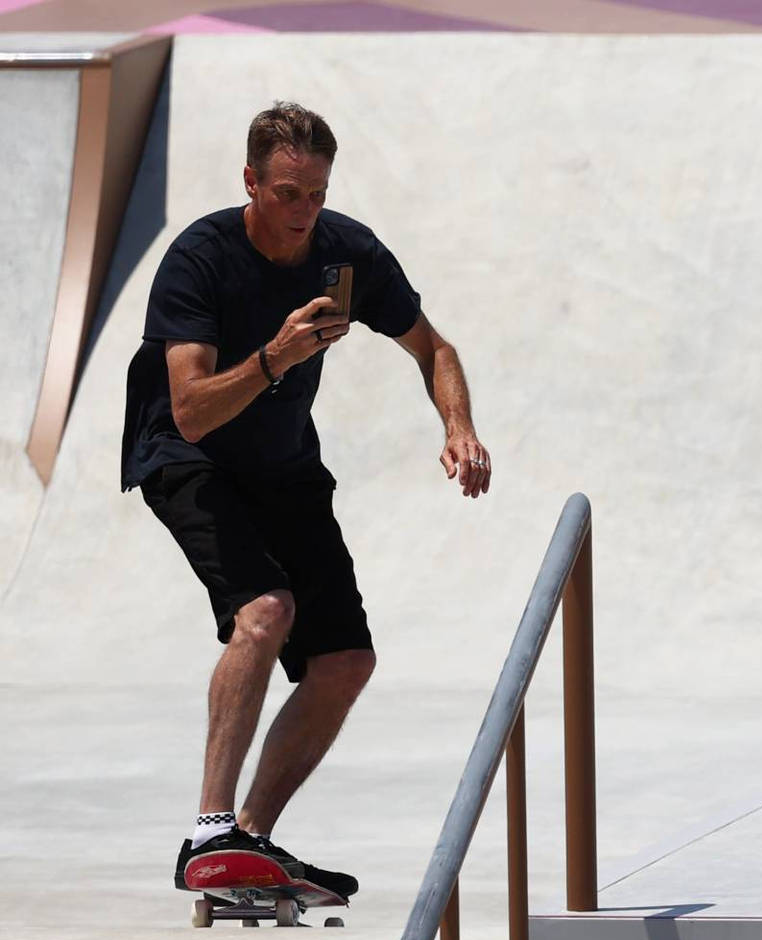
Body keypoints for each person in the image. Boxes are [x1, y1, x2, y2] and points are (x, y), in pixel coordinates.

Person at [122, 102, 491, 899]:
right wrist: (278, 356)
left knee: (345, 661)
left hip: (284, 465)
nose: (303, 213)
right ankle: (208, 832)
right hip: (189, 455)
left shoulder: (346, 252)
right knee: (264, 611)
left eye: (317, 194)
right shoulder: (201, 259)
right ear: (251, 180)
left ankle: (250, 842)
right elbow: (189, 407)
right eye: (288, 193)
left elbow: (435, 347)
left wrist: (458, 425)